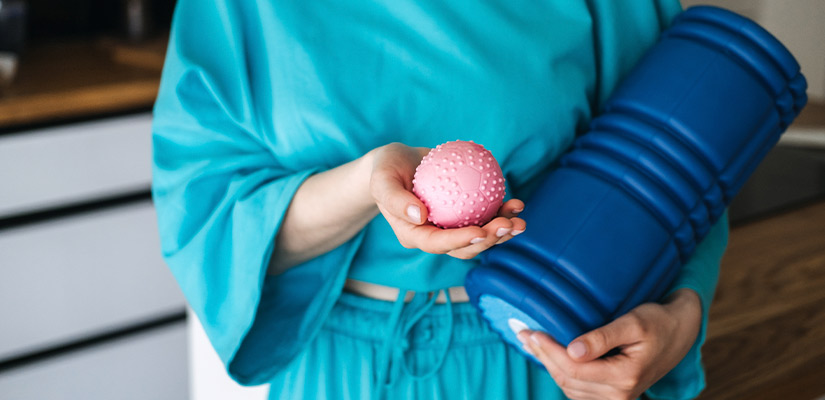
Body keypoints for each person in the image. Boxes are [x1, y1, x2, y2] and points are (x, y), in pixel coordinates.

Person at [151, 0, 728, 399]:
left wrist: (681, 315)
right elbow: (206, 210)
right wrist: (366, 184)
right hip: (338, 365)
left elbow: (676, 154)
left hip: (545, 352)